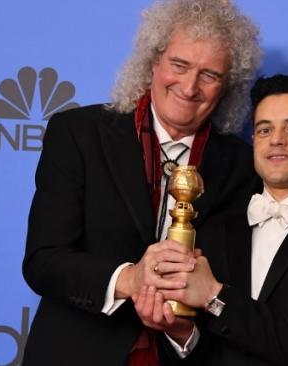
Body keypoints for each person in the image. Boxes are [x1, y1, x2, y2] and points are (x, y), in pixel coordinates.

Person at [21, 0, 261, 364]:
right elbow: (44, 261)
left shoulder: (243, 166)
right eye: (179, 65)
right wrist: (130, 279)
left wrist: (184, 334)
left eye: (210, 75)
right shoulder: (80, 134)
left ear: (227, 86)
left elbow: (234, 289)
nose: (190, 86)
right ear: (154, 61)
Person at [133, 75, 288, 365]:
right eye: (265, 130)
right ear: (254, 142)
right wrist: (179, 332)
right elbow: (207, 349)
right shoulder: (215, 229)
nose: (277, 140)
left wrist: (215, 297)